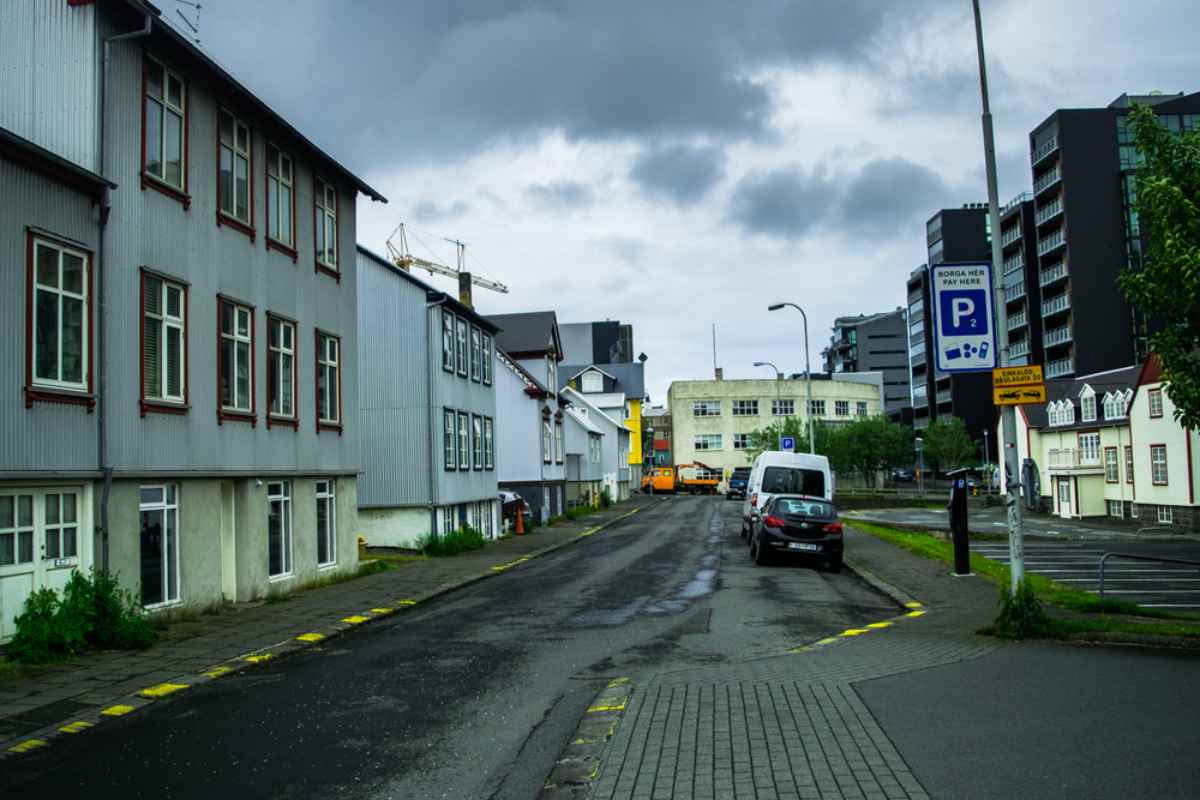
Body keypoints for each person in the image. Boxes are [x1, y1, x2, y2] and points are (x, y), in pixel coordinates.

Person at [947, 472, 970, 575]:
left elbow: (956, 499)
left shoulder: (959, 484)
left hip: (958, 518)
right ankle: (961, 568)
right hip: (956, 516)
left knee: (960, 539)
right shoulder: (957, 485)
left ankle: (962, 568)